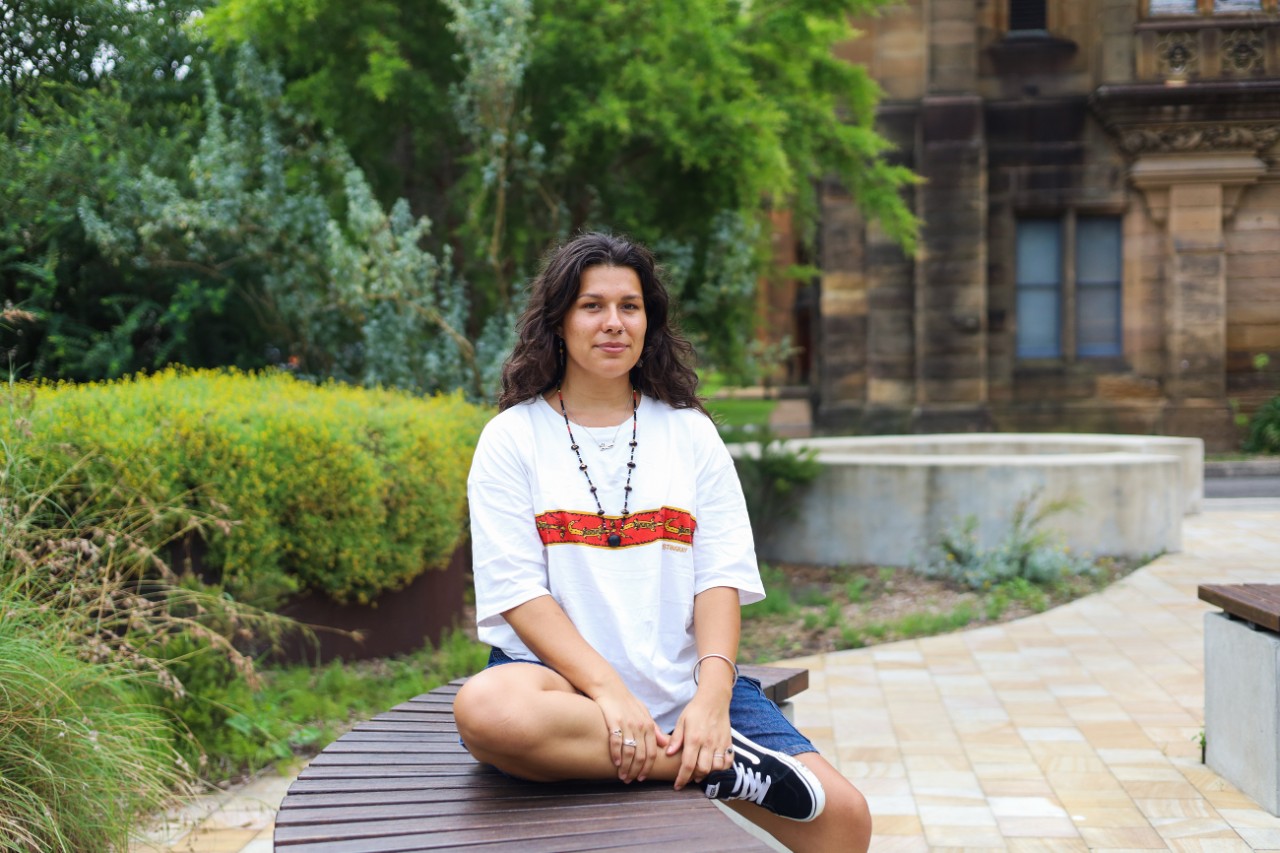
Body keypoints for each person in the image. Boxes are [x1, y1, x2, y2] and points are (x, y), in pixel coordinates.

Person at [453, 232, 872, 852]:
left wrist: (710, 698)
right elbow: (518, 595)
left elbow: (718, 579)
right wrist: (610, 694)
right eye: (592, 305)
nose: (613, 322)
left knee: (844, 818)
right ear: (559, 321)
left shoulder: (690, 434)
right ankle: (719, 770)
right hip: (565, 696)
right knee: (487, 709)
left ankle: (700, 748)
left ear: (649, 321)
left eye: (631, 306)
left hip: (683, 687)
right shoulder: (512, 439)